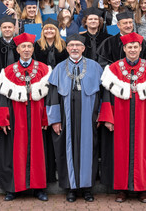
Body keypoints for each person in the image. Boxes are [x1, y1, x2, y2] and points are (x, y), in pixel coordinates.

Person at [99, 32, 146, 203]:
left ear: (140, 48)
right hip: (120, 117)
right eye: (129, 47)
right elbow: (107, 96)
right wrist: (108, 118)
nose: (132, 50)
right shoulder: (113, 69)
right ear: (124, 48)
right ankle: (121, 189)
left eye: (136, 47)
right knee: (120, 152)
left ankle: (143, 188)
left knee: (144, 151)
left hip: (144, 117)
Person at [0, 33, 52, 201]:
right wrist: (2, 119)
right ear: (18, 49)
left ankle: (39, 188)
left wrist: (46, 117)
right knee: (15, 152)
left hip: (36, 116)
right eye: (23, 47)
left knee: (38, 152)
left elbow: (49, 97)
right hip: (15, 117)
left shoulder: (43, 69)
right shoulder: (8, 71)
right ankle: (13, 188)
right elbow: (2, 98)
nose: (26, 50)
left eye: (29, 47)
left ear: (33, 49)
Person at [46, 34, 104, 203]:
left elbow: (101, 95)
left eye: (78, 45)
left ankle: (87, 188)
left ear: (84, 48)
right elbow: (52, 97)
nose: (75, 48)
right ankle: (70, 188)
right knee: (66, 150)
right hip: (66, 117)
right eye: (71, 45)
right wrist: (55, 120)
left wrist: (101, 114)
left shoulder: (94, 67)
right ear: (67, 48)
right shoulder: (58, 68)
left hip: (89, 116)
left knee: (89, 150)